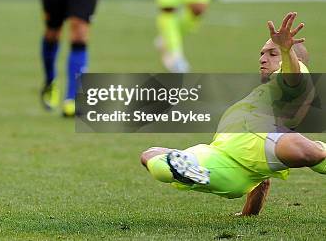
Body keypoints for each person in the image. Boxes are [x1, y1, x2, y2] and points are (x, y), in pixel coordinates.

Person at [140, 12, 326, 216]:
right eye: (262, 54)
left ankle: (186, 166)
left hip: (248, 149)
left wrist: (286, 49)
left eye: (273, 54)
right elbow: (261, 178)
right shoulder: (265, 94)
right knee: (150, 154)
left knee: (309, 153)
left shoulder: (294, 74)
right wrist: (249, 213)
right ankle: (185, 166)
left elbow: (294, 80)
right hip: (229, 159)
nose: (263, 59)